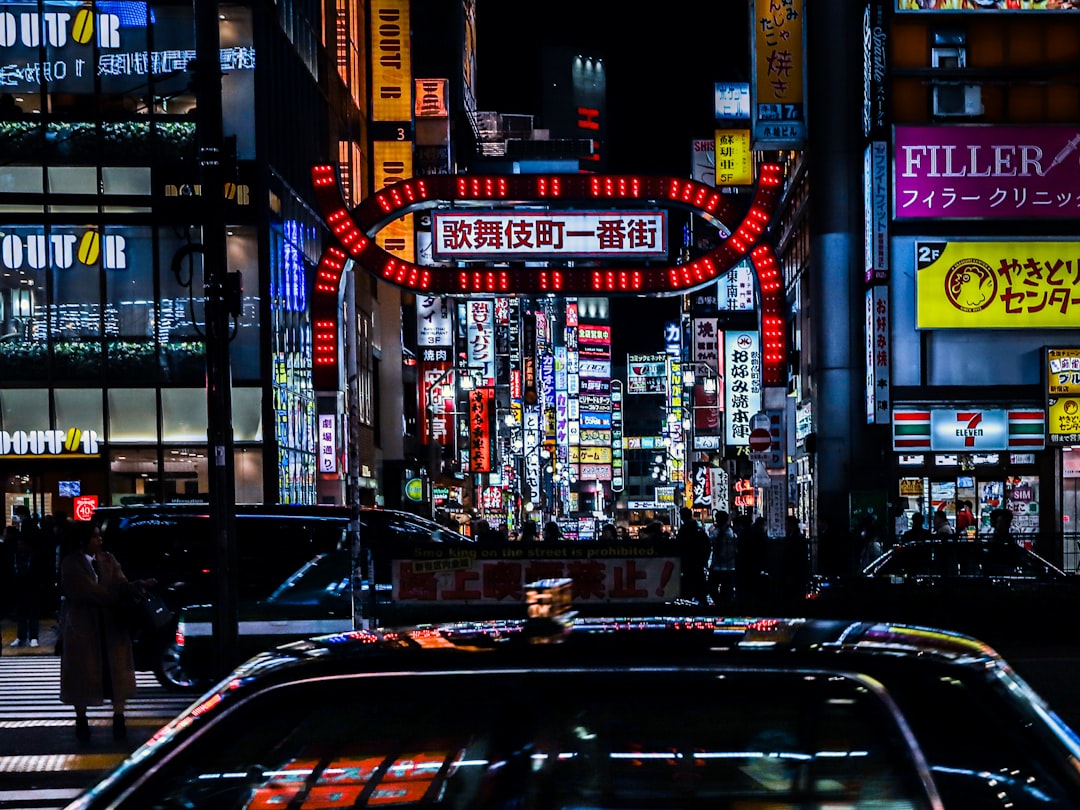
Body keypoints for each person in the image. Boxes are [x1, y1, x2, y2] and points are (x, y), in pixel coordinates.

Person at [59, 520, 154, 743]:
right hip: (83, 627)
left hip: (112, 626)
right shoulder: (71, 563)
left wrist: (136, 585)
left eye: (99, 536)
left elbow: (121, 583)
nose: (99, 540)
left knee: (117, 674)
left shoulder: (108, 558)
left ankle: (119, 718)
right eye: (94, 536)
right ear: (82, 540)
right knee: (81, 676)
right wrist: (116, 595)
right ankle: (81, 720)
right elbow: (88, 592)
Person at [10, 526, 50, 648]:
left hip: (32, 586)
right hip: (20, 585)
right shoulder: (17, 555)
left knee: (32, 612)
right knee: (22, 613)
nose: (19, 545)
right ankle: (21, 636)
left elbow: (40, 571)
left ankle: (33, 636)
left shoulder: (34, 556)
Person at [675, 507, 710, 603]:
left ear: (682, 517)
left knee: (688, 588)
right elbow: (707, 546)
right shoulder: (699, 530)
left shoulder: (684, 530)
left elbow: (679, 547)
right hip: (698, 562)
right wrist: (704, 560)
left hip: (687, 563)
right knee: (700, 587)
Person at [707, 510, 737, 604]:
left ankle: (721, 605)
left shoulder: (715, 532)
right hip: (729, 566)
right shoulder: (732, 532)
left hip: (717, 566)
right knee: (726, 590)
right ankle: (724, 606)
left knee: (713, 589)